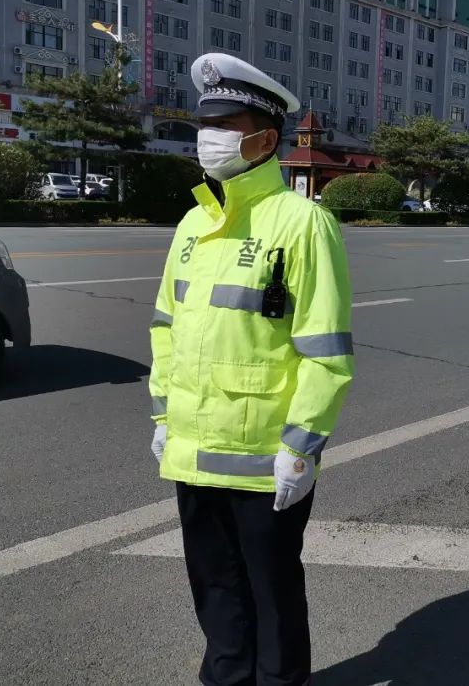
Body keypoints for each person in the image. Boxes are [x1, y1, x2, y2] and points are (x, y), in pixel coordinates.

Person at [148, 52, 355, 686]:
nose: (207, 139)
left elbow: (326, 352)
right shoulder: (192, 224)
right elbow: (166, 329)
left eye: (224, 125)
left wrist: (302, 446)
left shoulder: (303, 224)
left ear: (263, 138)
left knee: (272, 593)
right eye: (203, 125)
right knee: (213, 588)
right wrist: (162, 414)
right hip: (193, 449)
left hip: (266, 459)